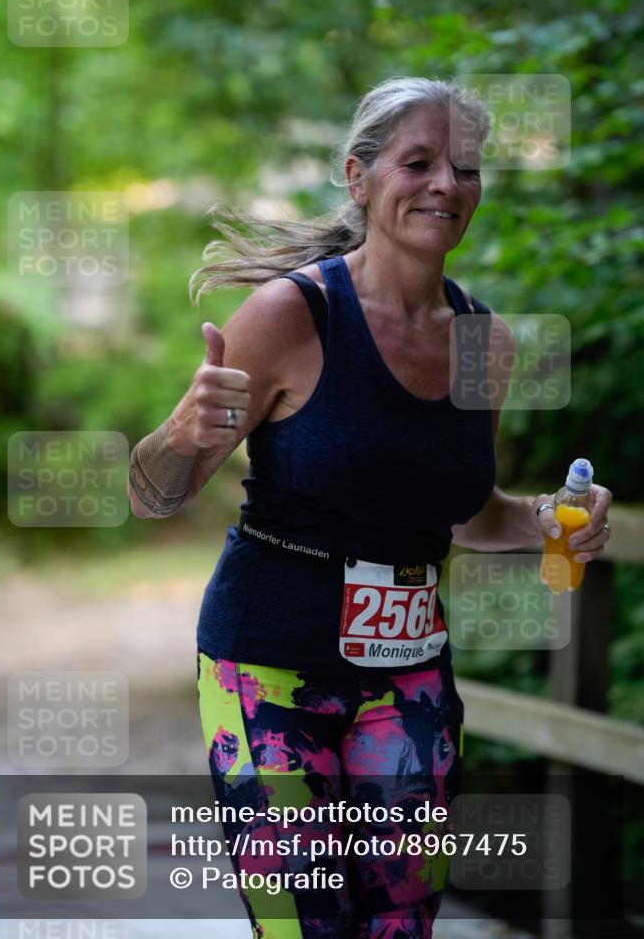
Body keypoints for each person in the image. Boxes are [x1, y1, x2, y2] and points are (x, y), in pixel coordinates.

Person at [128, 76, 613, 939]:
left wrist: (544, 518)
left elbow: (464, 513)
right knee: (306, 926)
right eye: (418, 161)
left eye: (464, 167)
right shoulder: (290, 315)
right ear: (359, 177)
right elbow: (153, 494)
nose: (445, 185)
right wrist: (179, 429)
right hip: (268, 667)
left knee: (399, 925)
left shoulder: (481, 339)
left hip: (410, 674)